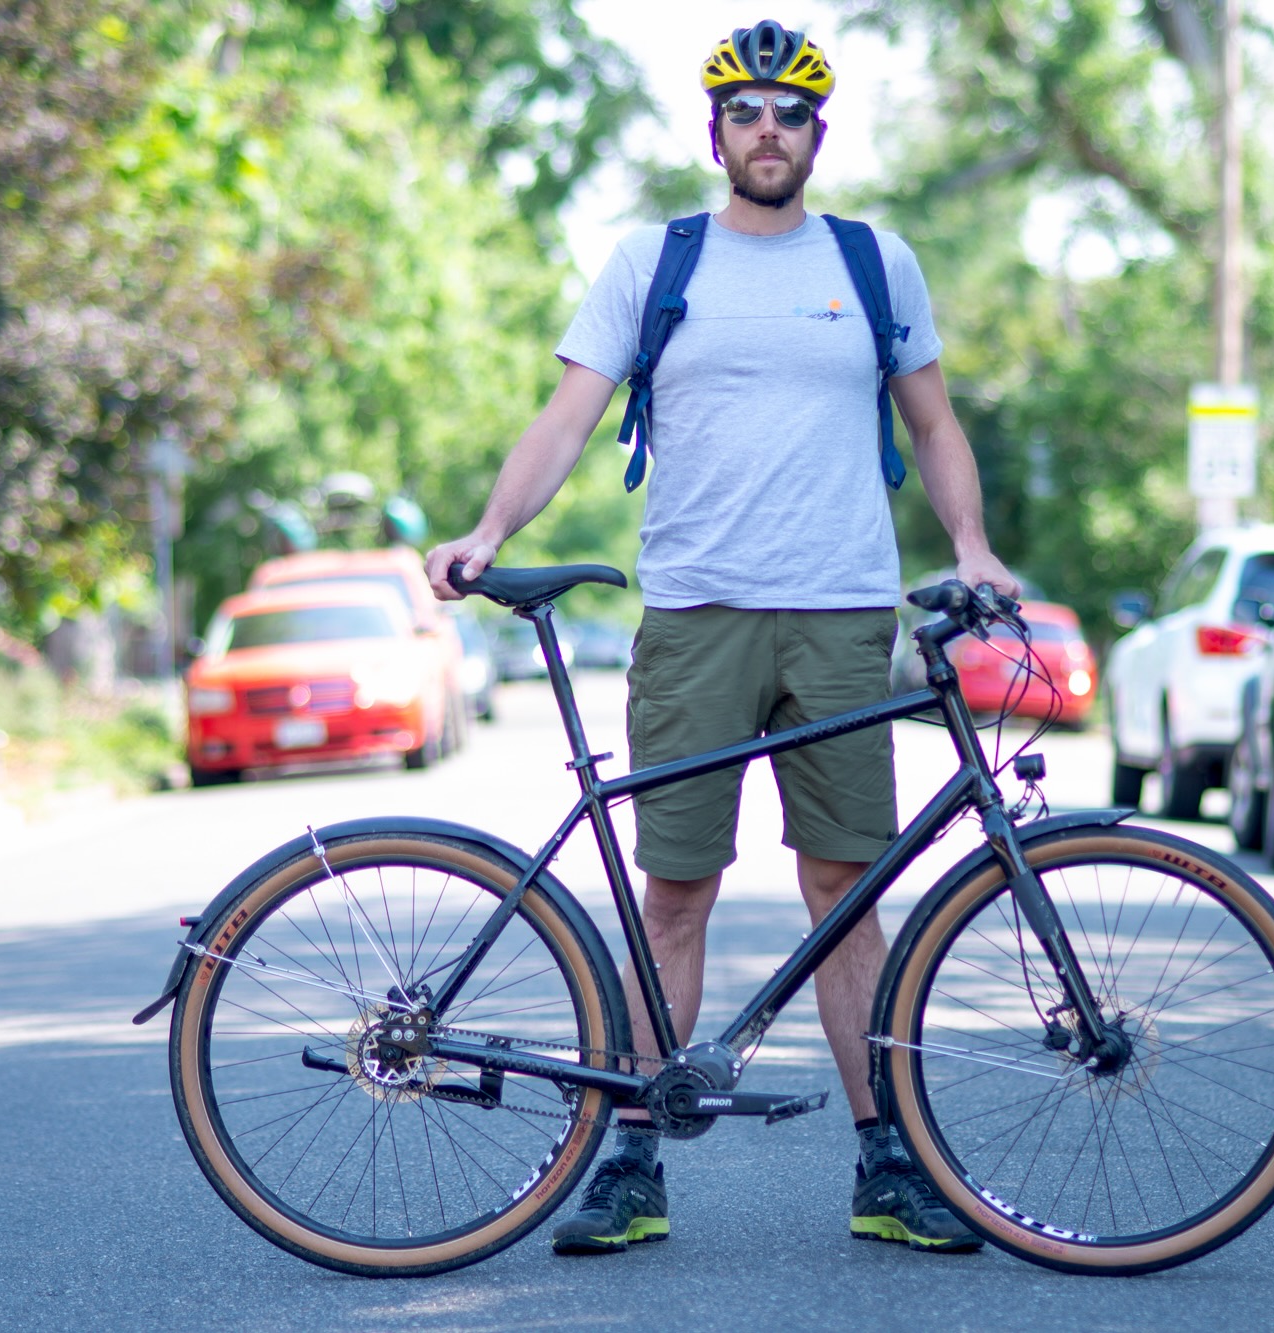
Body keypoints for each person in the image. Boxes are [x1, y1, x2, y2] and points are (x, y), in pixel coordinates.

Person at [425, 19, 1018, 1257]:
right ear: (714, 134)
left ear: (816, 134)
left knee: (845, 894)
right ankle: (631, 1162)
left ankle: (886, 1164)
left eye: (789, 112)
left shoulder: (873, 263)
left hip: (841, 613)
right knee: (675, 895)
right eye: (743, 111)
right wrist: (486, 529)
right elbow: (568, 415)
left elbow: (933, 424)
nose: (767, 129)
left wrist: (969, 546)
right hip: (695, 615)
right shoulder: (655, 262)